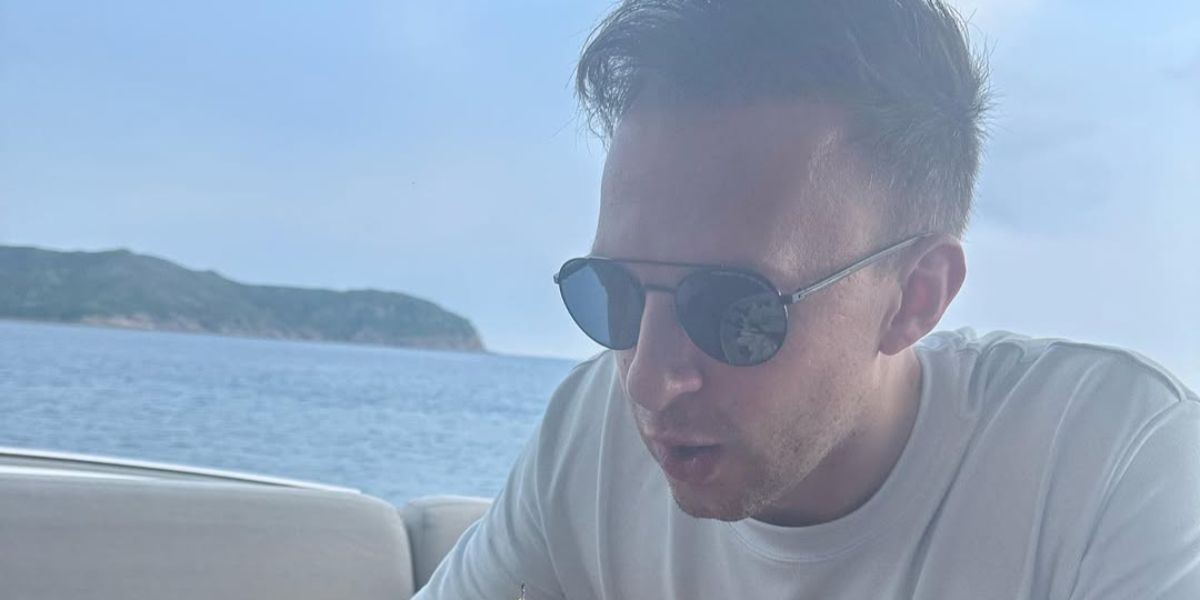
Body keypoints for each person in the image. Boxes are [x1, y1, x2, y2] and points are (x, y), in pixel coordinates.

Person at [414, 0, 1200, 597]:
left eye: (733, 310)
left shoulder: (1109, 458)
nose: (648, 379)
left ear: (914, 297)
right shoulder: (591, 434)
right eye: (612, 293)